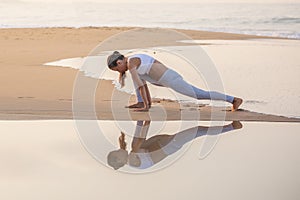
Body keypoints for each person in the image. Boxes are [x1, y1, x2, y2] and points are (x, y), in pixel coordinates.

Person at [107, 51, 243, 112]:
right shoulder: (132, 63)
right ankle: (141, 102)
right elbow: (142, 84)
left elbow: (141, 85)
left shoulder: (131, 62)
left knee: (199, 94)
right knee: (138, 79)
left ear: (119, 62)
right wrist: (144, 103)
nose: (120, 72)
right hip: (167, 80)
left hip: (171, 79)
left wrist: (146, 107)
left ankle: (233, 99)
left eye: (117, 69)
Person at [107, 120, 243, 170]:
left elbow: (132, 147)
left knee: (199, 130)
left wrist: (122, 143)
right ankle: (232, 127)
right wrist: (145, 124)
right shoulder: (131, 160)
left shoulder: (130, 158)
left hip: (168, 143)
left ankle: (142, 121)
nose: (118, 150)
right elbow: (138, 144)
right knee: (199, 130)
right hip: (171, 144)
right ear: (119, 160)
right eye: (117, 153)